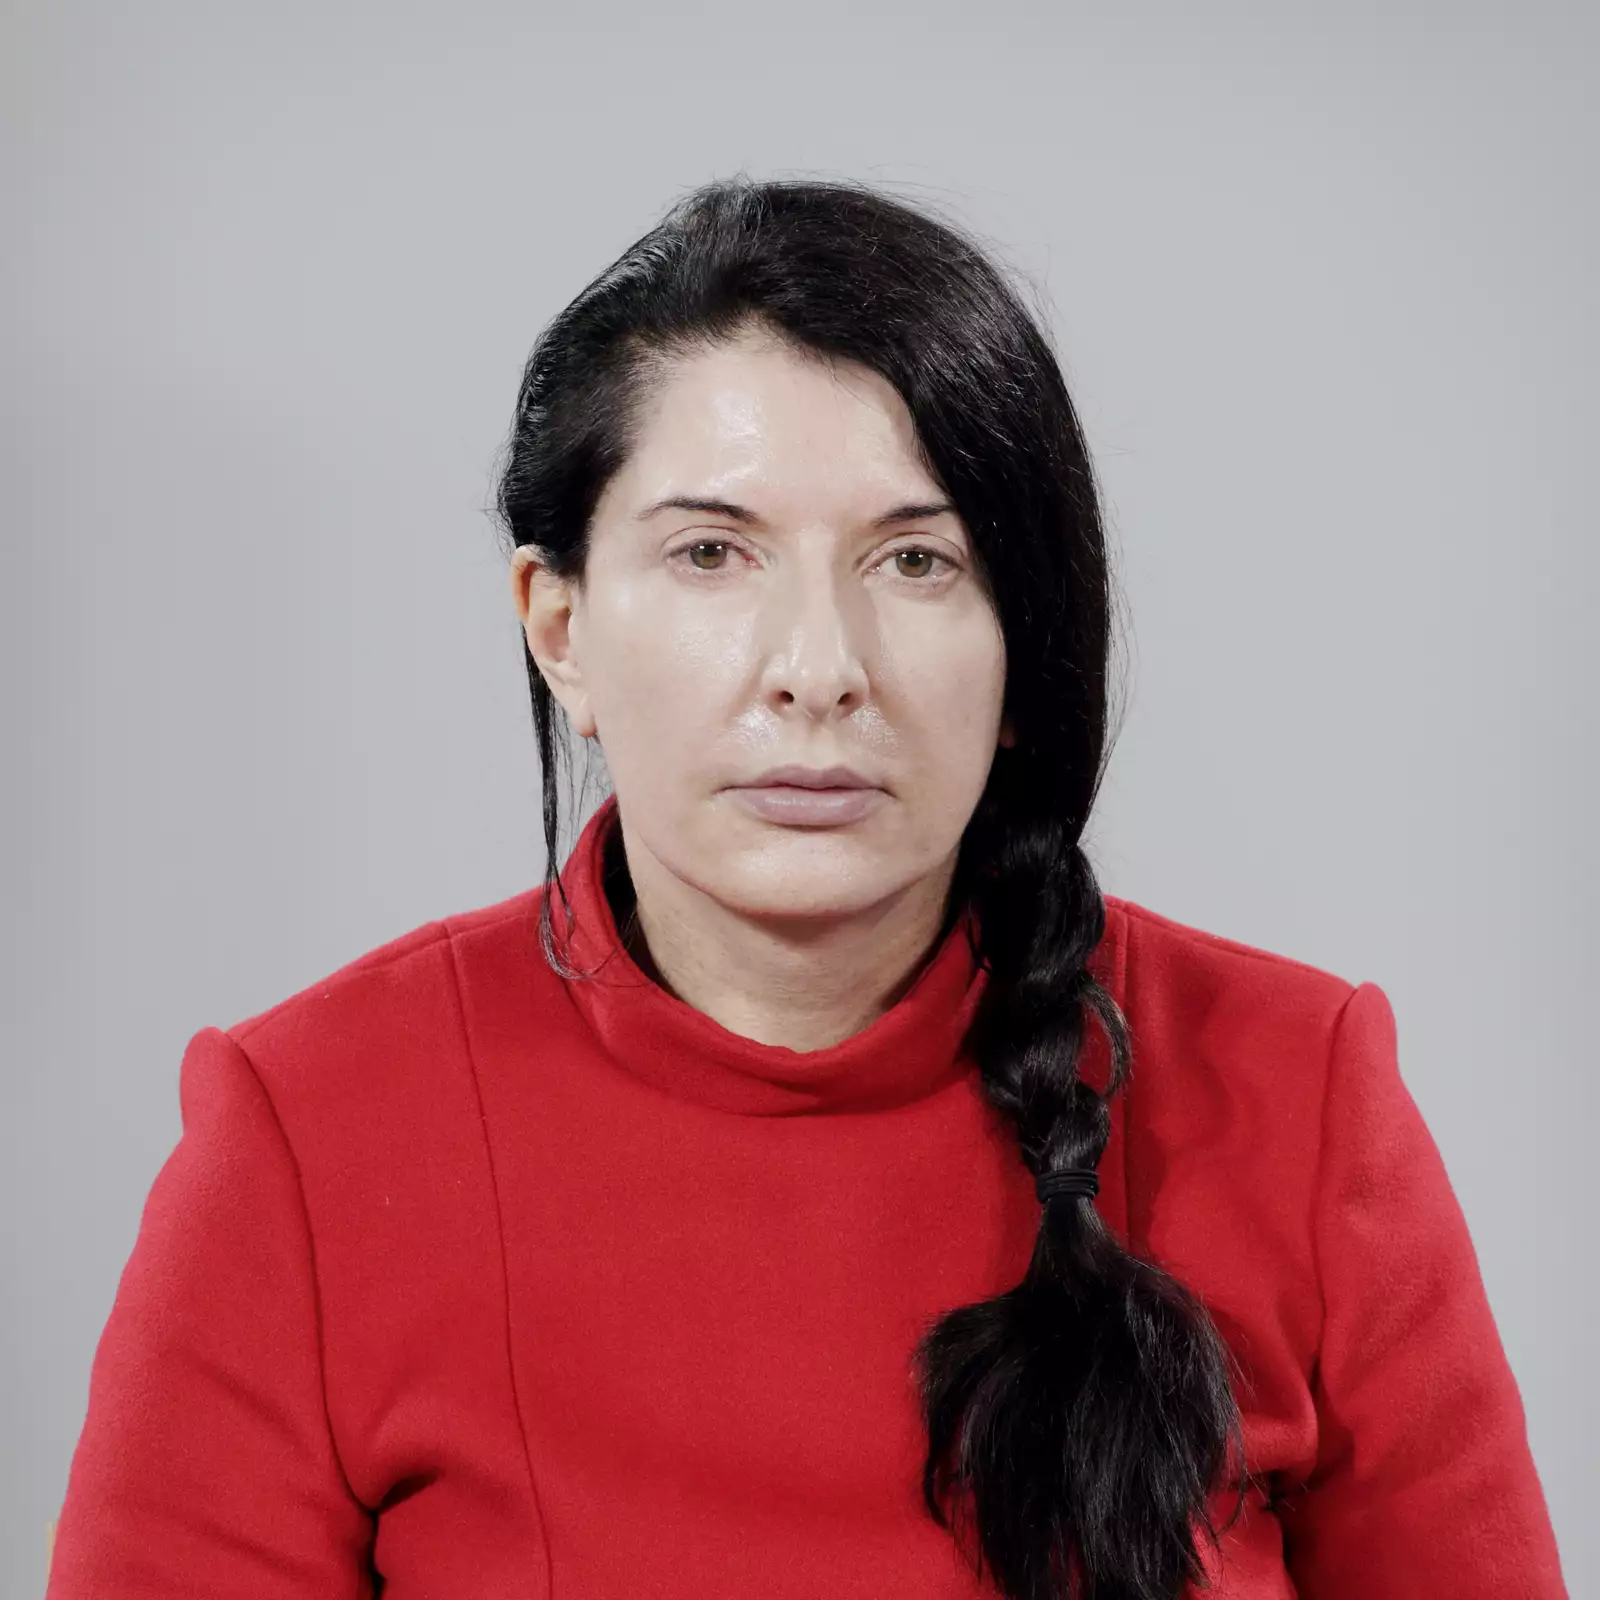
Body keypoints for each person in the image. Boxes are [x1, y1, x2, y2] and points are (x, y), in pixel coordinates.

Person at [46, 177, 1566, 1600]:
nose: (819, 673)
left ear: (1029, 646)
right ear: (559, 626)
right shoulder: (309, 1134)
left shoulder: (1295, 1091)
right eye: (713, 554)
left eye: (918, 564)